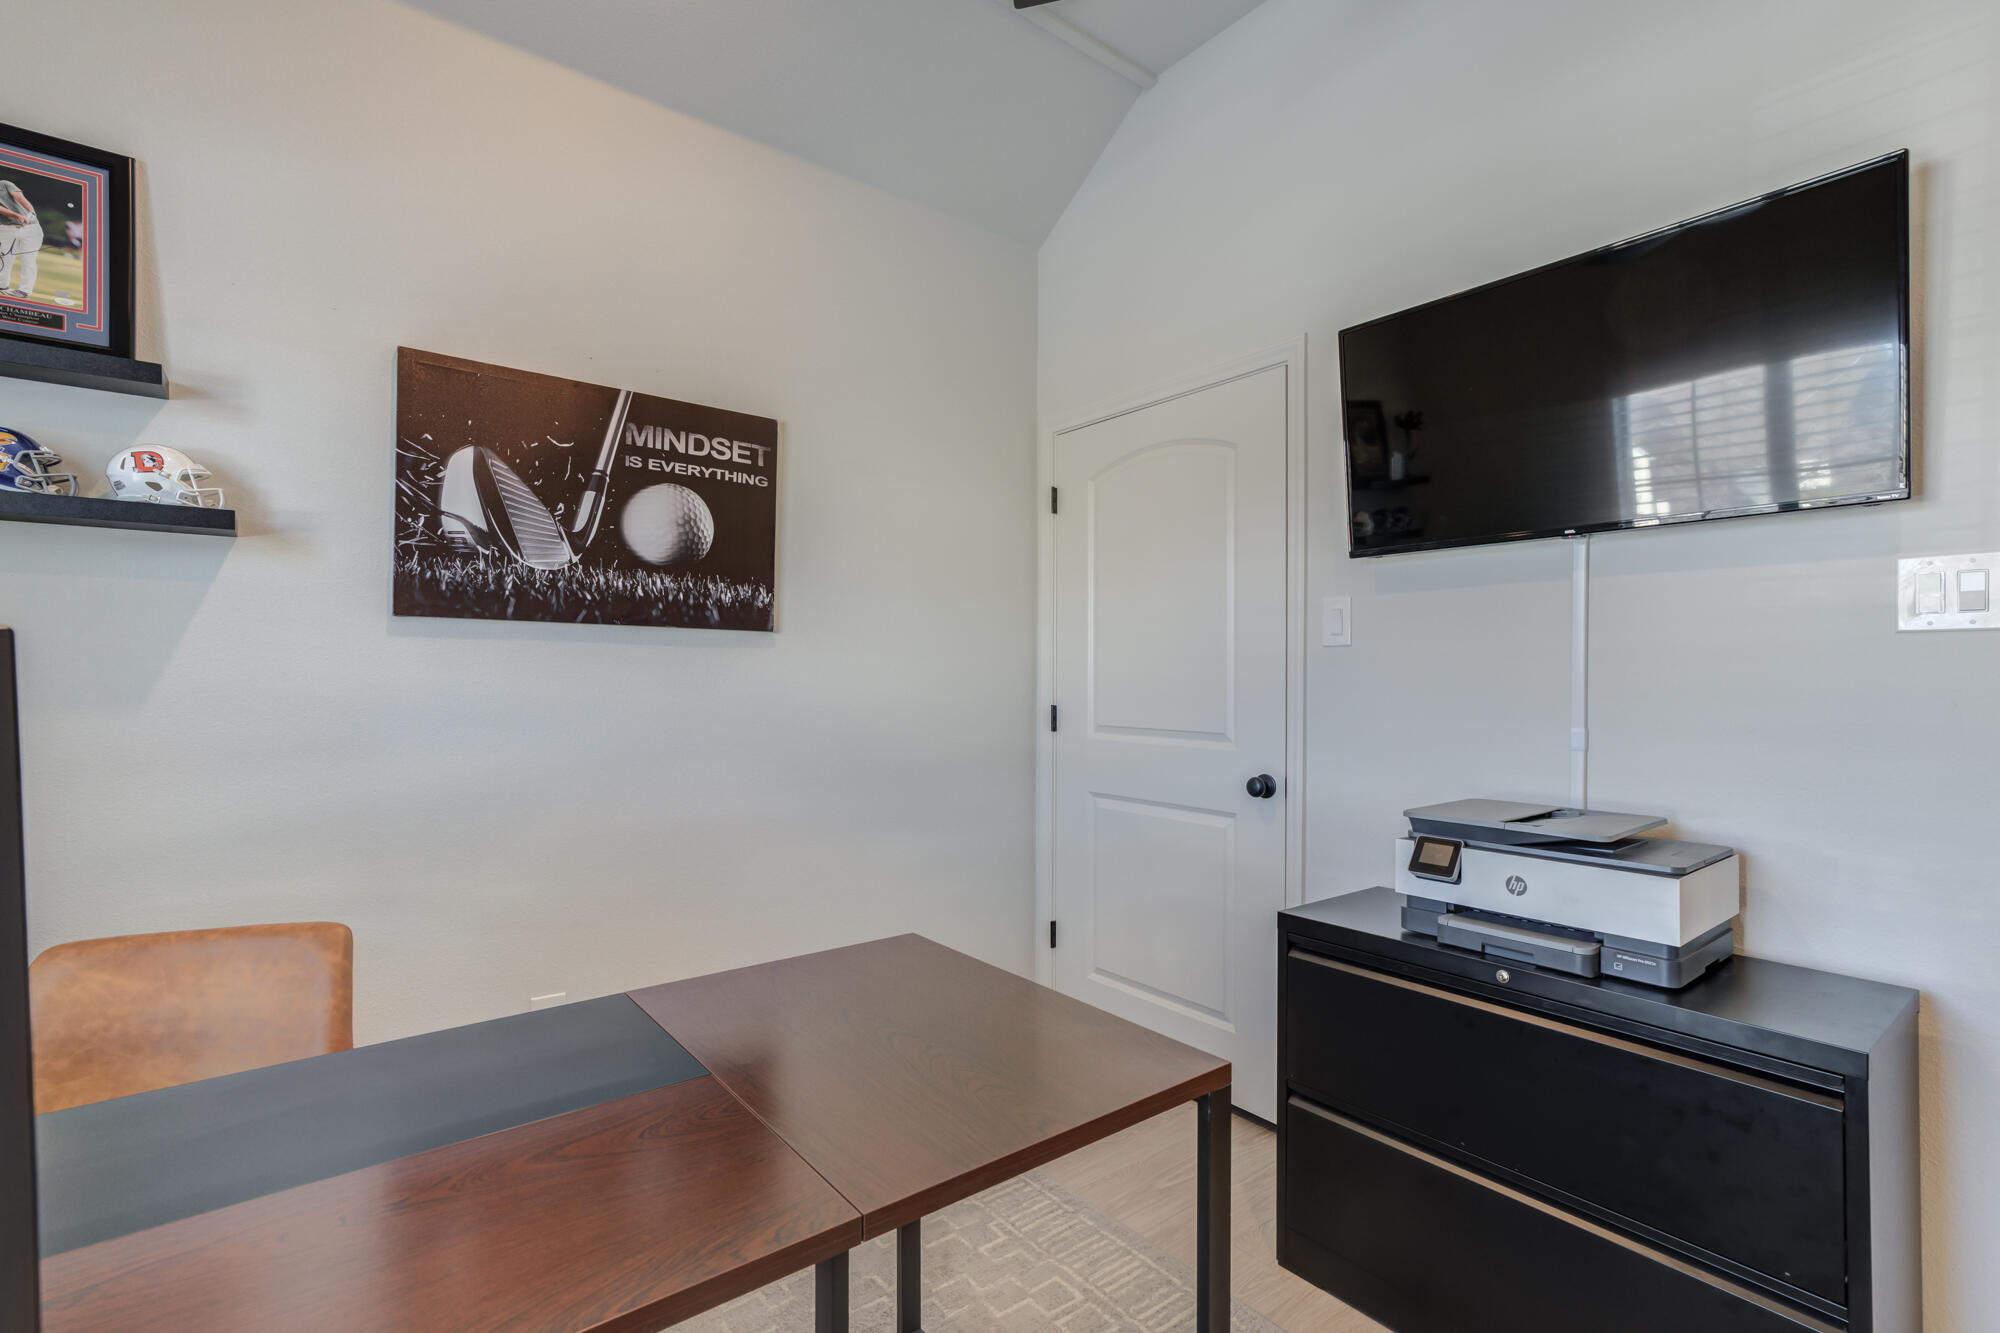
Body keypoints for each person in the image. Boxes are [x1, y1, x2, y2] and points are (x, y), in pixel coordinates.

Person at [0, 181, 43, 300]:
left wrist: (31, 211)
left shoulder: (4, 184)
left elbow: (19, 197)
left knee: (28, 259)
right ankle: (3, 286)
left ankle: (24, 291)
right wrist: (17, 215)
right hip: (7, 228)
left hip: (31, 228)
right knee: (4, 257)